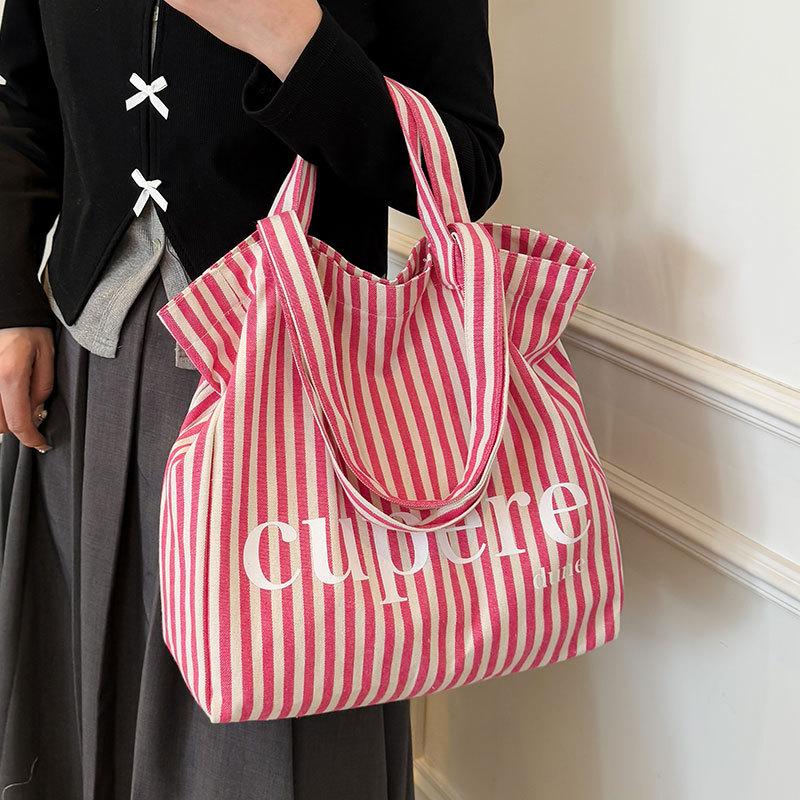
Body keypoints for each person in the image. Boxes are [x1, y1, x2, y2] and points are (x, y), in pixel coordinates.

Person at [0, 0, 503, 797]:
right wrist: (11, 302)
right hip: (88, 377)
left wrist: (292, 40)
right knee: (80, 714)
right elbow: (23, 101)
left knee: (275, 738)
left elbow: (464, 169)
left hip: (300, 394)